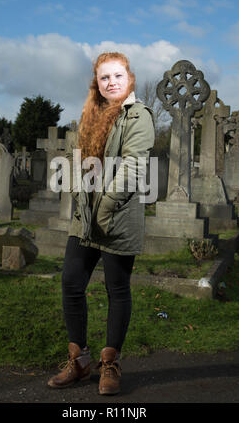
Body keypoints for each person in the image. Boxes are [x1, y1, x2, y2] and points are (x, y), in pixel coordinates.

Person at [47, 52, 155, 395]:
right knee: (71, 282)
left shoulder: (139, 116)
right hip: (85, 216)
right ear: (98, 82)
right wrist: (82, 202)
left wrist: (106, 208)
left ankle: (110, 364)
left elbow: (134, 168)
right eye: (104, 77)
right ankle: (79, 360)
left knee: (116, 288)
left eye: (118, 76)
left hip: (117, 216)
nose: (111, 82)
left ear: (130, 78)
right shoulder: (91, 113)